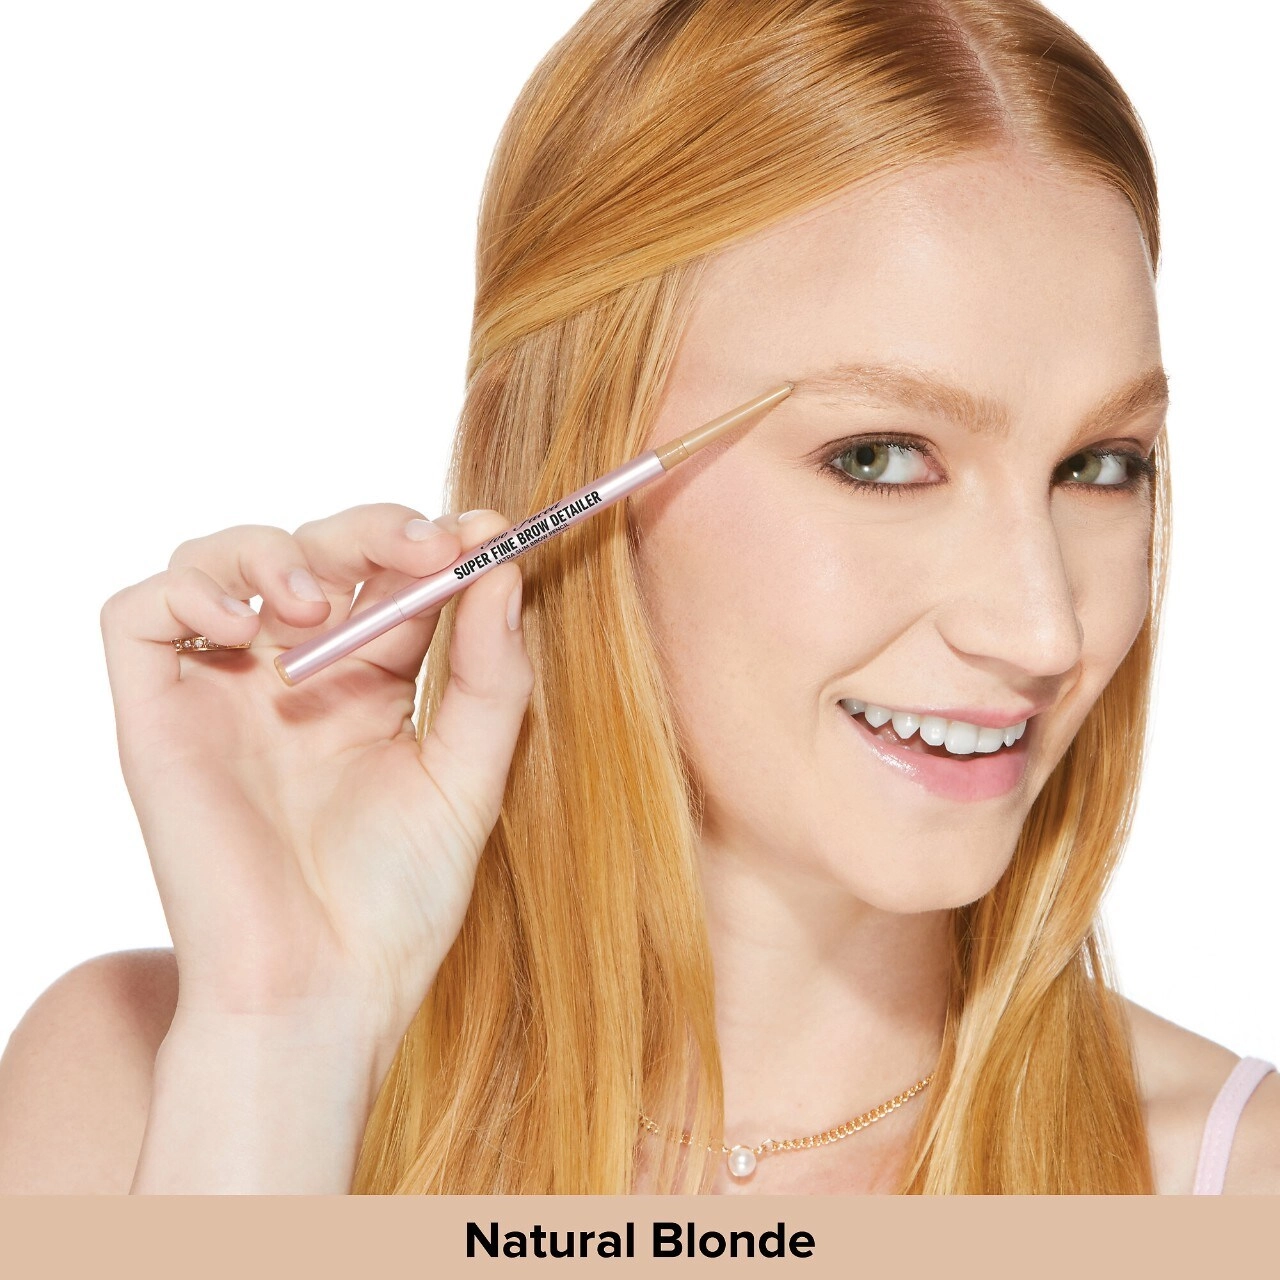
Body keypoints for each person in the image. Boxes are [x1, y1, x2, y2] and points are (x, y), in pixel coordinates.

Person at [0, 0, 1275, 1195]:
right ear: (579, 461)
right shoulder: (137, 1098)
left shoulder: (1233, 1189)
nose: (1044, 628)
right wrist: (285, 1039)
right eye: (880, 457)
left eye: (1098, 465)